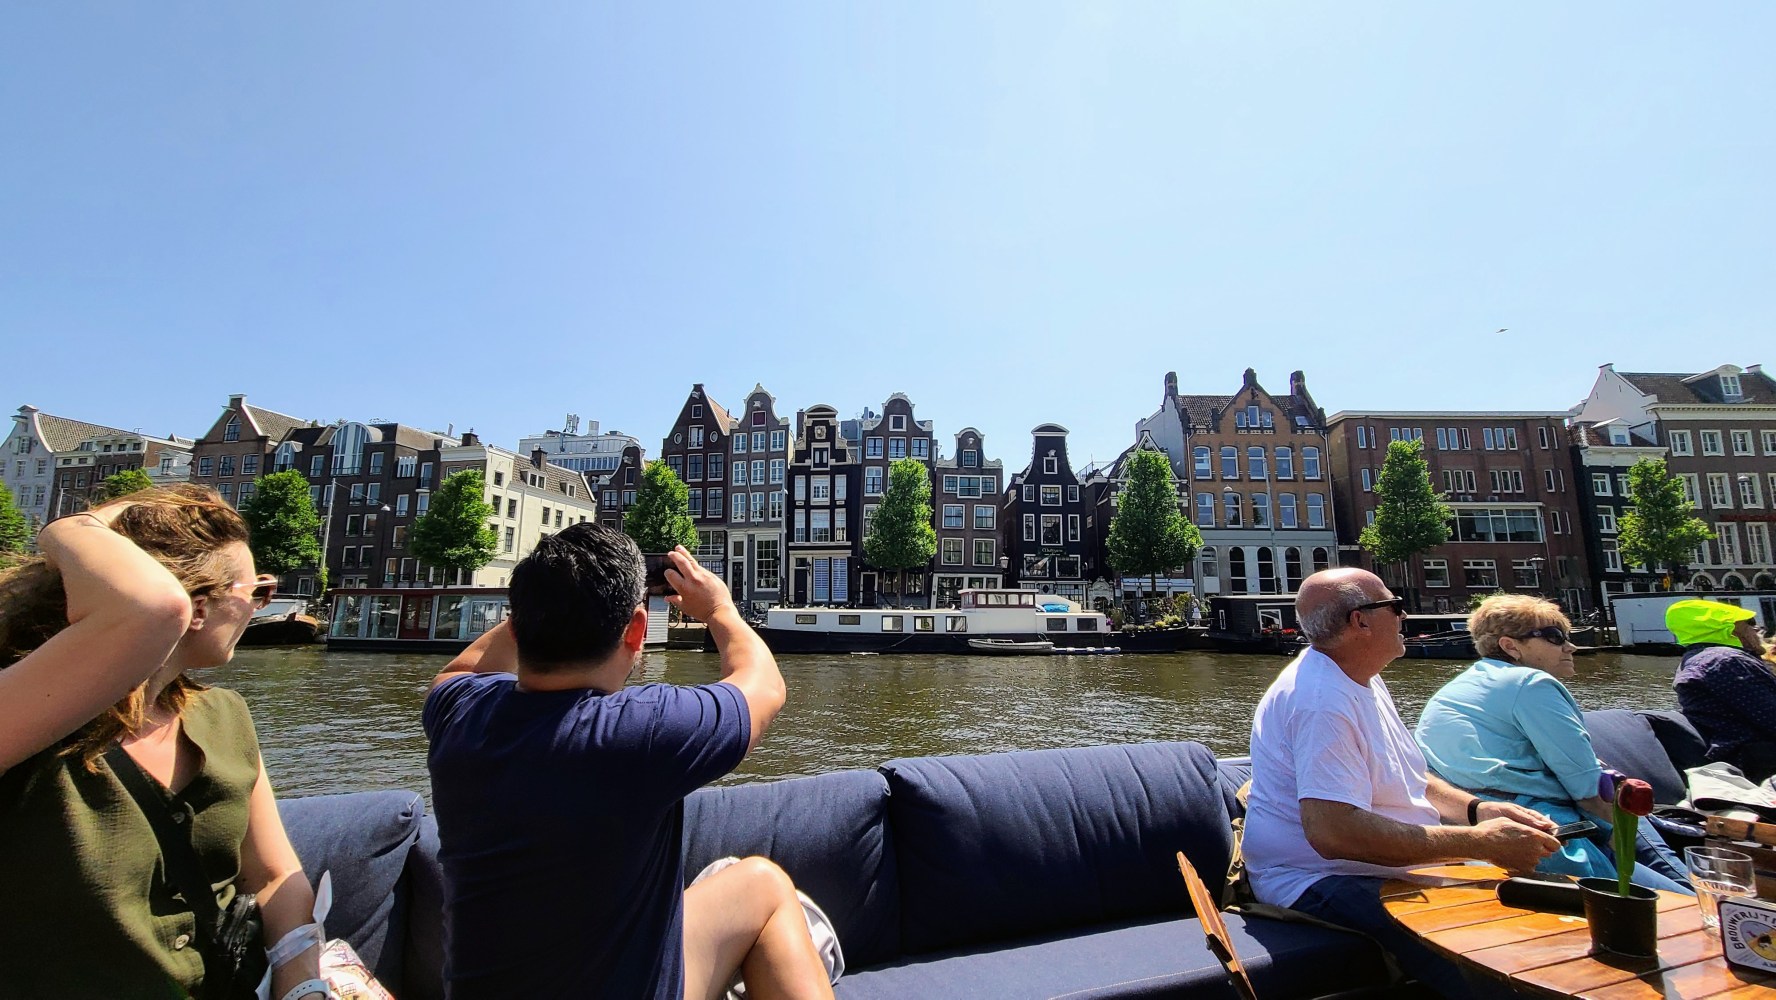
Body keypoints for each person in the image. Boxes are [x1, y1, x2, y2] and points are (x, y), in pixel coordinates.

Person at [423, 525, 835, 1000]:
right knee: (764, 885)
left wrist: (560, 589)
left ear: (516, 625)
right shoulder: (641, 731)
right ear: (637, 630)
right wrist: (719, 608)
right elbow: (764, 687)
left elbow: (458, 671)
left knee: (755, 885)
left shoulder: (460, 715)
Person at [0, 486, 329, 1000]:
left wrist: (300, 979)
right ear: (195, 609)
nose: (260, 608)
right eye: (256, 591)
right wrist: (68, 527)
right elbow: (149, 609)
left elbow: (271, 873)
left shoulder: (224, 717)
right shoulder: (18, 717)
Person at [1244, 568, 1559, 1000]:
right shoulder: (1320, 702)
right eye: (1395, 605)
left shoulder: (1361, 676)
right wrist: (1479, 843)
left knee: (1544, 919)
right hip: (1319, 876)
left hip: (1377, 865)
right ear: (1361, 620)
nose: (1404, 613)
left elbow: (1405, 773)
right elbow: (1334, 833)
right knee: (1492, 961)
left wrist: (1477, 811)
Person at [1415, 594, 1690, 892]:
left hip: (1481, 838)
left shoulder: (1452, 690)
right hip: (1552, 841)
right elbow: (1589, 793)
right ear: (1510, 646)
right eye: (1554, 637)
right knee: (1688, 903)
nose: (1570, 646)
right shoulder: (1532, 684)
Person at [1671, 599, 1776, 781]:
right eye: (1750, 623)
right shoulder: (1727, 661)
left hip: (1738, 760)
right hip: (1758, 763)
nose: (1758, 629)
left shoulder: (1698, 658)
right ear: (1731, 629)